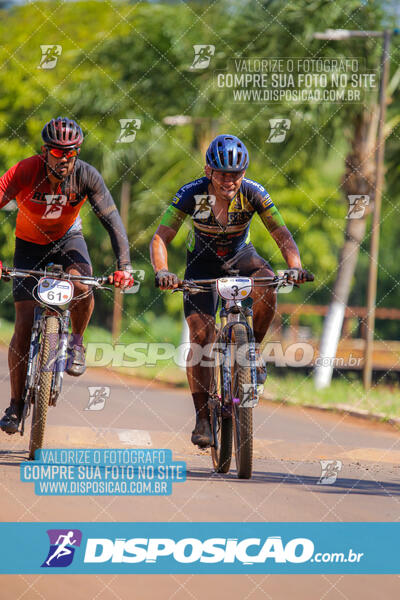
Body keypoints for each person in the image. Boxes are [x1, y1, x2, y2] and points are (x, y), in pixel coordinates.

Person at [150, 134, 310, 447]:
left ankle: (252, 351)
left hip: (241, 256)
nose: (230, 181)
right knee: (200, 336)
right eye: (223, 174)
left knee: (267, 285)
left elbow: (281, 233)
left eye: (236, 174)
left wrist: (295, 265)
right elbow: (160, 238)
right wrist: (163, 272)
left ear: (244, 174)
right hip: (202, 264)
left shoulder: (253, 193)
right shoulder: (192, 194)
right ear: (209, 171)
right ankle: (202, 418)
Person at [0, 117, 134, 434]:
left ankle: (76, 340)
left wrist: (124, 267)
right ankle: (16, 405)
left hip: (68, 238)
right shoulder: (24, 172)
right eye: (58, 153)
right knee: (22, 325)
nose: (65, 159)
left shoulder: (86, 175)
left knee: (82, 286)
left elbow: (113, 222)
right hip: (29, 243)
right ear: (46, 151)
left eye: (71, 153)